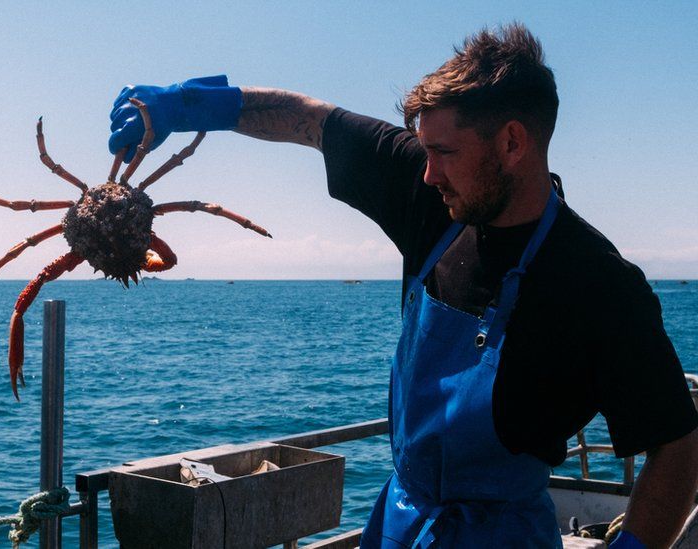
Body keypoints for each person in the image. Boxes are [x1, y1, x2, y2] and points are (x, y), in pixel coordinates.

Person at [108, 24, 698, 548]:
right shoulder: (427, 197)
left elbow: (677, 445)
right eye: (424, 149)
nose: (426, 171)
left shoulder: (600, 285)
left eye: (443, 151)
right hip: (399, 521)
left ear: (513, 143)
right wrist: (188, 106)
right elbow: (311, 120)